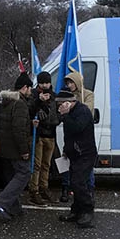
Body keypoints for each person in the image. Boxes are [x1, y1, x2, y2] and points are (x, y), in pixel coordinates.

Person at [0, 72, 35, 221]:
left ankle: (14, 207)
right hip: (16, 148)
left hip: (6, 147)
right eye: (30, 88)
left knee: (11, 177)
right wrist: (24, 151)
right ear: (24, 88)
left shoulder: (7, 102)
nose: (31, 92)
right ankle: (1, 203)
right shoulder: (20, 104)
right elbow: (18, 129)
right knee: (24, 174)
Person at [56, 90, 96, 229]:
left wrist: (66, 116)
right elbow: (69, 135)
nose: (59, 106)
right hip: (74, 153)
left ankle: (87, 210)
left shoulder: (82, 111)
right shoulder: (70, 113)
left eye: (61, 103)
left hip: (85, 153)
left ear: (70, 102)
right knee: (75, 183)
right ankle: (76, 211)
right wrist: (66, 151)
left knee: (78, 182)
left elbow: (77, 128)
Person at [60, 71, 96, 202]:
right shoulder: (67, 95)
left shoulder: (88, 94)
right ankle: (68, 189)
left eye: (71, 82)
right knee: (70, 166)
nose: (69, 85)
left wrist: (75, 106)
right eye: (68, 83)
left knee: (86, 169)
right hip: (71, 136)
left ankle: (89, 192)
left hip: (84, 138)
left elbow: (87, 111)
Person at [29, 71, 60, 205]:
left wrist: (57, 119)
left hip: (51, 134)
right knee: (36, 165)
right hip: (39, 135)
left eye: (47, 83)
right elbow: (30, 110)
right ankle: (34, 191)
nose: (45, 85)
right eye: (42, 83)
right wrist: (38, 102)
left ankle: (44, 188)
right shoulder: (34, 95)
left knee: (46, 165)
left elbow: (59, 112)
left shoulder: (54, 96)